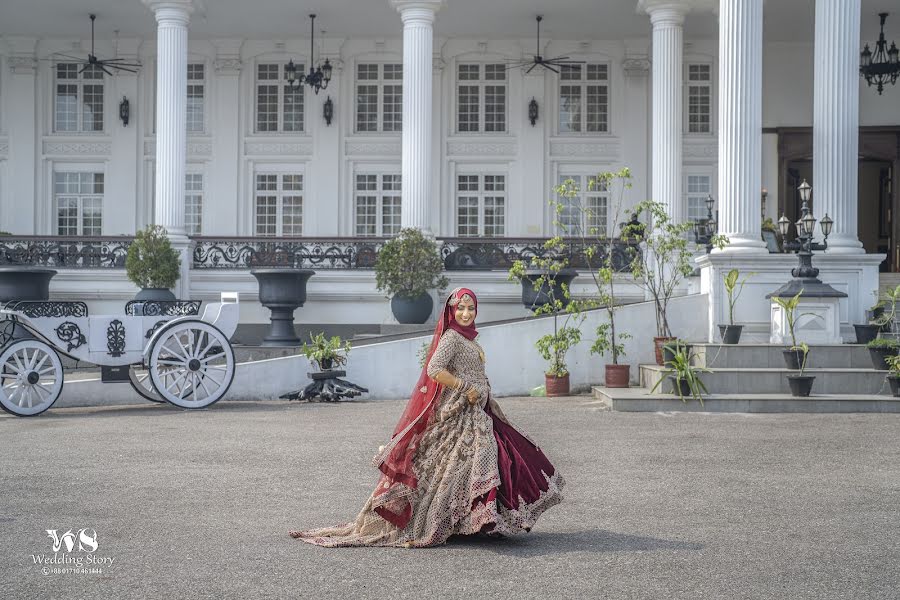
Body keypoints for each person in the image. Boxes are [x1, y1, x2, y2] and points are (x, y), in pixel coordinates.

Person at [289, 287, 565, 548]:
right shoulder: (451, 338)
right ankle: (450, 521)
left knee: (491, 460)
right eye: (461, 309)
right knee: (467, 462)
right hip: (460, 411)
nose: (466, 313)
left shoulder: (468, 338)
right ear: (451, 311)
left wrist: (482, 392)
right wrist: (465, 387)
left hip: (477, 409)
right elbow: (435, 369)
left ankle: (478, 522)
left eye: (470, 308)